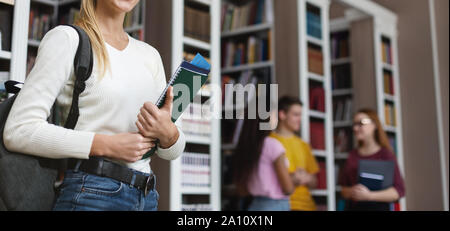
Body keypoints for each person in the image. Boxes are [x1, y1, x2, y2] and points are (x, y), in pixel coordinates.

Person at [3, 0, 186, 211]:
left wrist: (167, 133)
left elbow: (173, 151)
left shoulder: (150, 56)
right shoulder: (67, 39)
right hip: (90, 194)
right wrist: (106, 144)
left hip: (147, 197)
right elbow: (19, 130)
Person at [231, 103, 297, 211]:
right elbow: (288, 188)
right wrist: (296, 179)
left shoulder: (245, 147)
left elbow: (243, 189)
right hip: (276, 205)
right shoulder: (272, 145)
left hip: (255, 205)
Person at [339, 108, 405, 211]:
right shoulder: (352, 155)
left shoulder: (386, 155)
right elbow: (343, 190)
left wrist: (369, 196)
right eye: (354, 124)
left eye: (361, 123)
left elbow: (398, 191)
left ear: (375, 125)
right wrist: (352, 191)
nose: (356, 128)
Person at [270, 96, 320, 211]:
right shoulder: (270, 142)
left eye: (300, 115)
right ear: (282, 115)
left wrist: (308, 178)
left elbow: (315, 182)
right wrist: (291, 178)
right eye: (296, 115)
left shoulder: (303, 145)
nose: (300, 119)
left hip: (308, 206)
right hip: (282, 205)